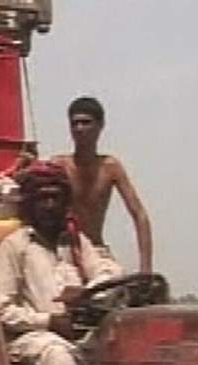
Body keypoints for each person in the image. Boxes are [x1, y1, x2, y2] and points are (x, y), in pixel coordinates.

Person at [0, 161, 122, 365]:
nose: (50, 205)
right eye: (42, 198)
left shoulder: (75, 242)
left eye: (56, 198)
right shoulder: (15, 247)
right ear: (30, 205)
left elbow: (109, 272)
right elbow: (1, 310)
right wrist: (48, 321)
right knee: (57, 353)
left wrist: (87, 289)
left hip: (79, 335)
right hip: (29, 341)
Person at [51, 96, 153, 273]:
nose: (79, 128)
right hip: (64, 250)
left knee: (112, 286)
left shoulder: (111, 168)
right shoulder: (58, 165)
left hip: (96, 250)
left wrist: (146, 269)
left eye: (86, 122)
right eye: (74, 123)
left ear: (100, 126)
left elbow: (139, 215)